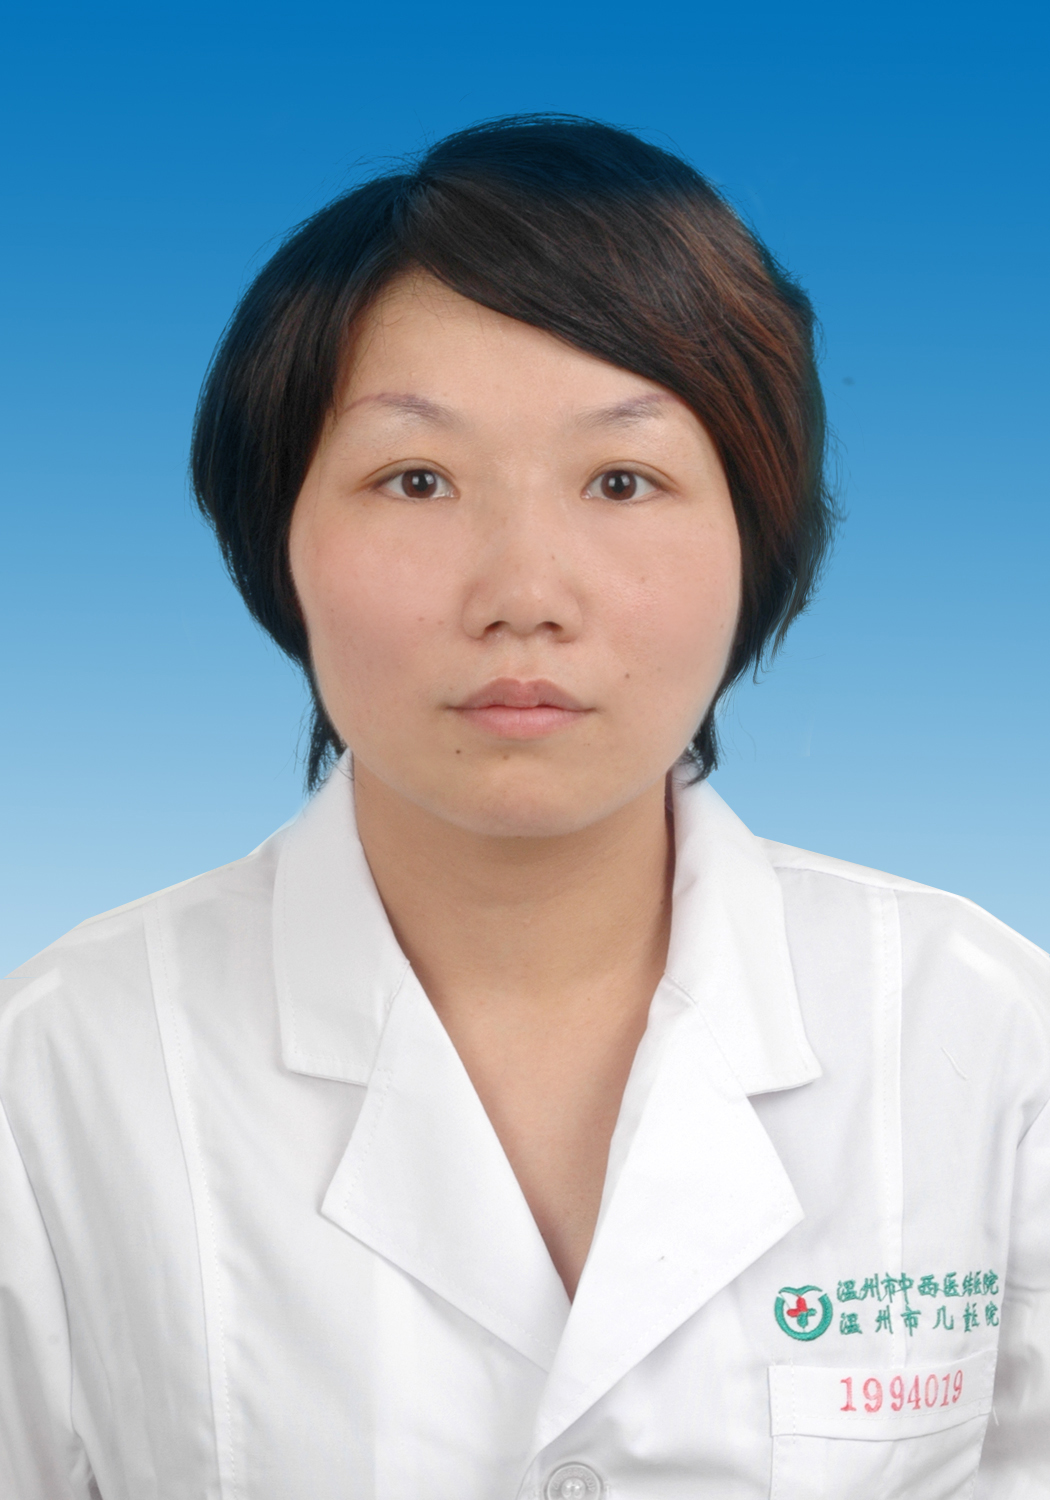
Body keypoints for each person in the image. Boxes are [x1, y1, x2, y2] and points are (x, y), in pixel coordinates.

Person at [1, 115, 1046, 1500]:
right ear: (276, 538)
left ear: (758, 538)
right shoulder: (59, 1067)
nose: (523, 593)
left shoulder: (986, 1033)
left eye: (622, 480)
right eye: (415, 480)